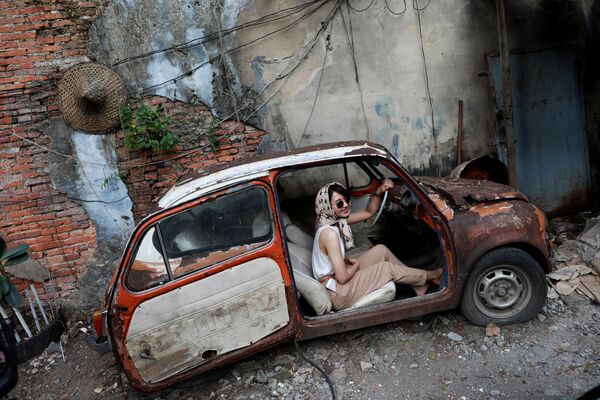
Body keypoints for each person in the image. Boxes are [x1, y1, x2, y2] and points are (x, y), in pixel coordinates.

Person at [312, 180, 442, 311]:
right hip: (339, 294)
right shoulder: (329, 234)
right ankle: (431, 276)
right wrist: (356, 265)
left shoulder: (332, 220)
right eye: (340, 203)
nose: (346, 205)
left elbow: (368, 212)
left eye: (346, 199)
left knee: (381, 250)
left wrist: (378, 192)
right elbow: (343, 277)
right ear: (328, 206)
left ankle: (417, 284)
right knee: (386, 269)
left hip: (336, 282)